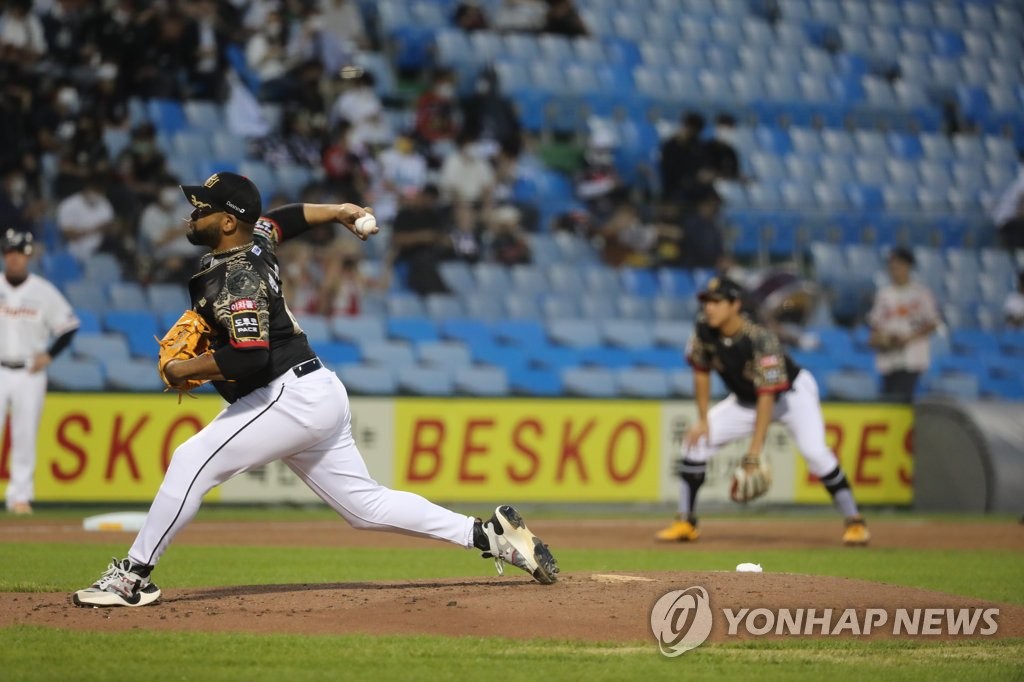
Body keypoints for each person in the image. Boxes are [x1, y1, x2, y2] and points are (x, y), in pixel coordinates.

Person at [72, 172, 558, 607]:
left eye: (204, 207)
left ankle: (132, 579)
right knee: (364, 507)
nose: (193, 212)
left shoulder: (238, 273)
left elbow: (251, 354)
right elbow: (280, 221)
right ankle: (489, 536)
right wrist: (339, 210)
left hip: (288, 394)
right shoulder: (253, 242)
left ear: (226, 223)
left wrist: (184, 371)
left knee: (191, 461)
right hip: (312, 389)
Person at [655, 277, 870, 546]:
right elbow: (701, 372)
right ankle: (685, 522)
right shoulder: (703, 331)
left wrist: (754, 452)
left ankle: (855, 522)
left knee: (816, 453)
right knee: (696, 444)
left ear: (735, 304)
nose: (709, 308)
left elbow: (767, 396)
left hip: (791, 397)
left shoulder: (760, 338)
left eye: (717, 302)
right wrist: (702, 420)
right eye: (707, 302)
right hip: (745, 400)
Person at [0, 229, 80, 515]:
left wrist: (50, 355)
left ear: (28, 256)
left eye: (19, 253)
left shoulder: (42, 291)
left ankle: (19, 496)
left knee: (24, 436)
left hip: (28, 372)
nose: (14, 258)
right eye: (10, 252)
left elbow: (69, 327)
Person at [867, 247, 940, 403]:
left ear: (908, 266)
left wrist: (908, 338)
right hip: (888, 355)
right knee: (887, 399)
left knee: (902, 398)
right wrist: (879, 338)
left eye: (898, 266)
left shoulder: (921, 293)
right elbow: (875, 324)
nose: (895, 271)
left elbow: (933, 323)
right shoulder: (884, 294)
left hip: (912, 355)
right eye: (892, 267)